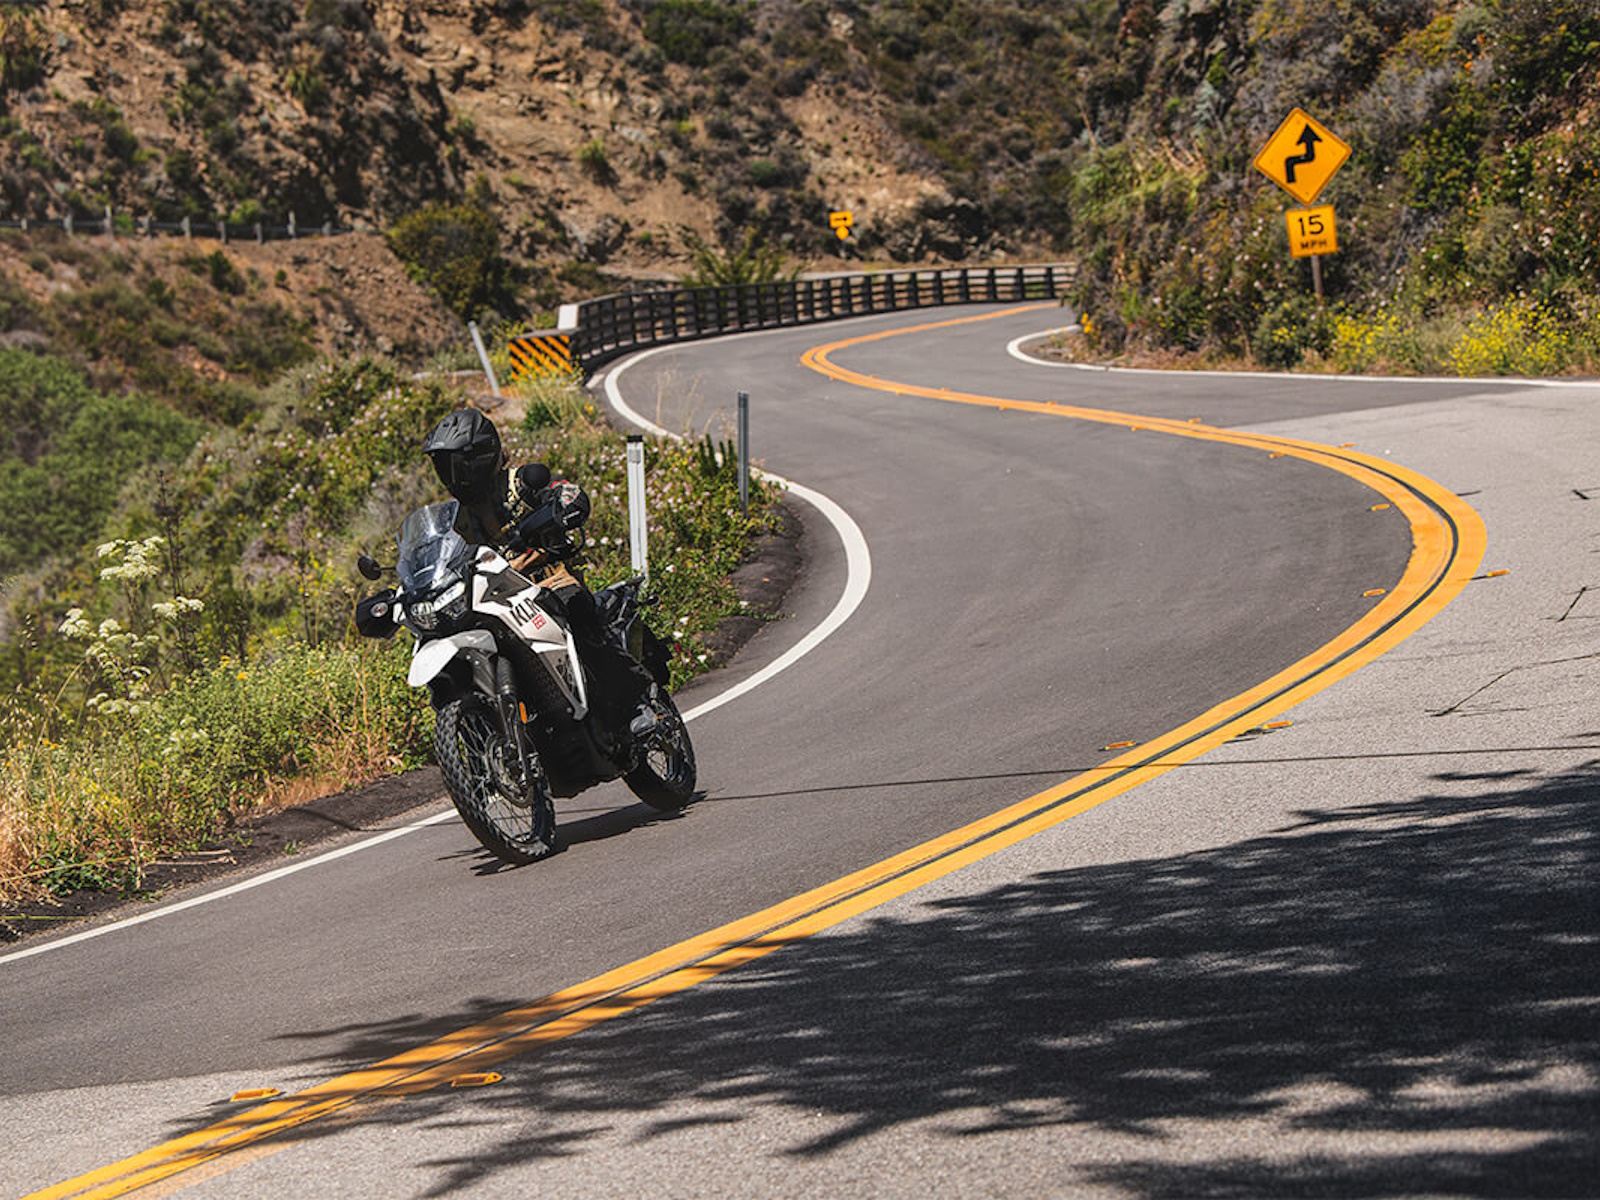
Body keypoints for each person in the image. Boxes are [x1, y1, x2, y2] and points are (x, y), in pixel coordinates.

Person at [421, 408, 658, 742]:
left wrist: (564, 505)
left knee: (579, 616)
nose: (451, 475)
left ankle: (635, 706)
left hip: (548, 581)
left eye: (457, 465)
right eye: (444, 467)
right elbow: (440, 558)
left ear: (481, 457)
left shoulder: (520, 483)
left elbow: (567, 492)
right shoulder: (456, 519)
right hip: (497, 601)